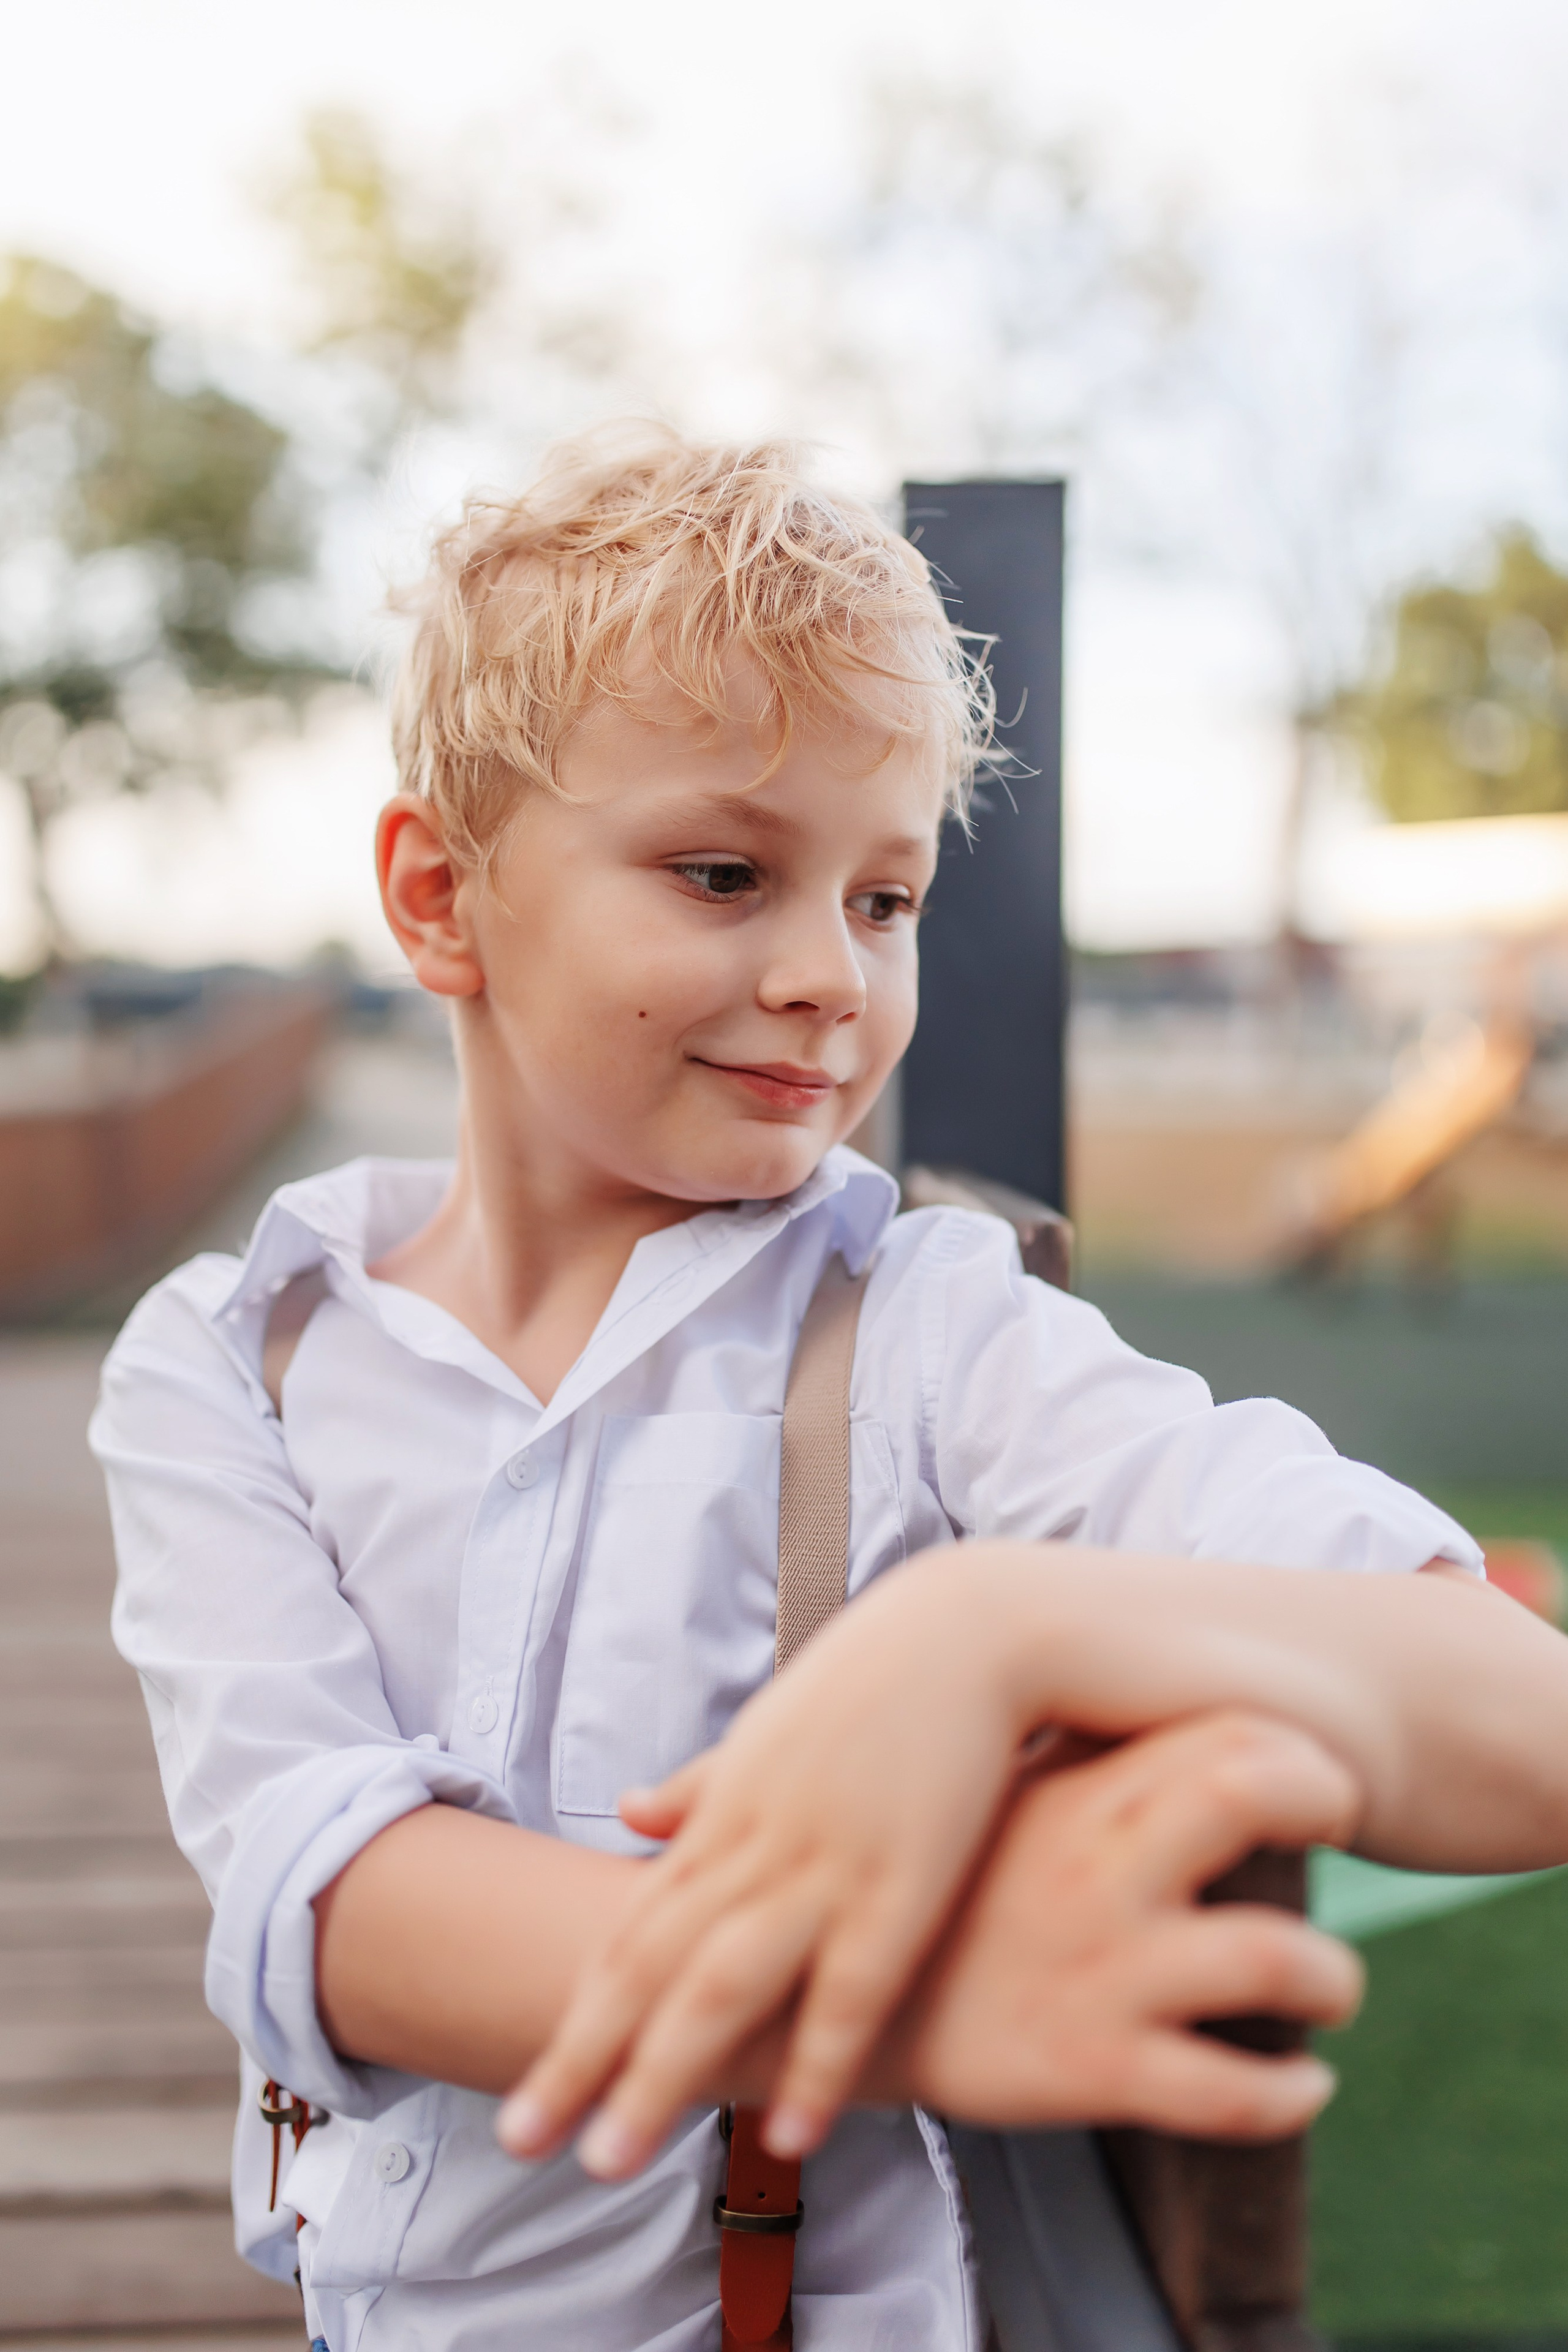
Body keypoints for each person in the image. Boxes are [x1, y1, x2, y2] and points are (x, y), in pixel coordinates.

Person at [90, 427, 1568, 2352]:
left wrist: (1004, 1622)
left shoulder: (933, 1336)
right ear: (442, 896)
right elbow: (337, 1909)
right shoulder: (231, 1359)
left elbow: (1527, 1720)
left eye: (886, 898)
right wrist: (911, 2002)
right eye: (725, 873)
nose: (830, 977)